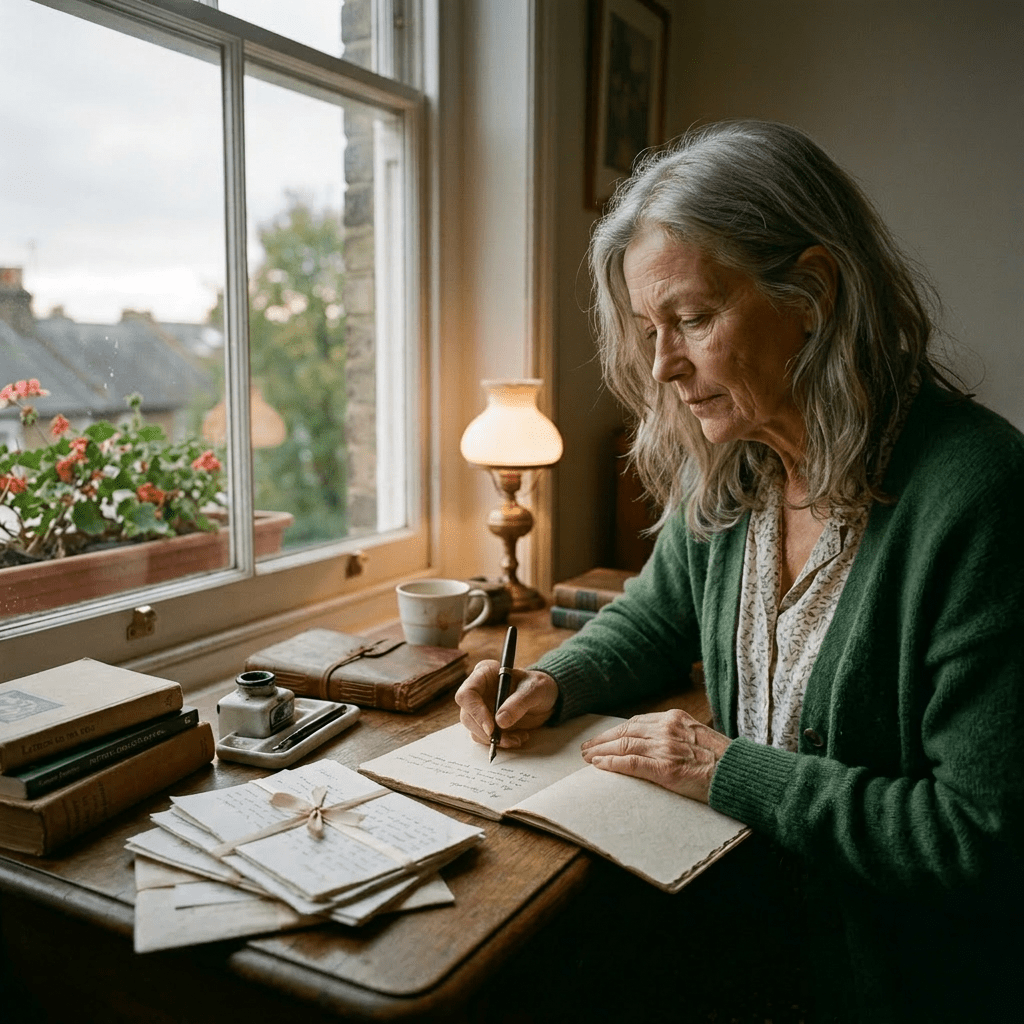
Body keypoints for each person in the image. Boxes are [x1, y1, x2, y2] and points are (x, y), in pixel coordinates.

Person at [455, 120, 1024, 1023]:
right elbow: (654, 616)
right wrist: (550, 682)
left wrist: (729, 770)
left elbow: (981, 841)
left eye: (692, 320)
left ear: (814, 291)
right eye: (649, 329)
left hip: (899, 982)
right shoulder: (738, 463)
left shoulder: (979, 494)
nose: (663, 367)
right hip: (751, 932)